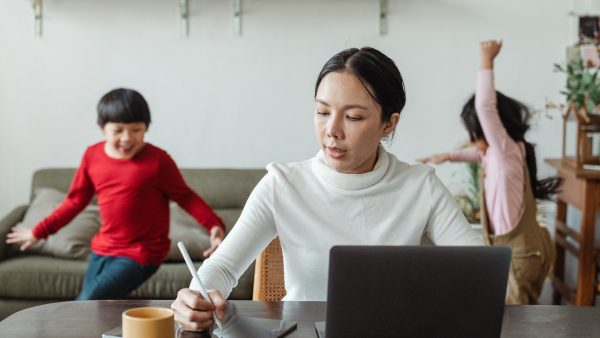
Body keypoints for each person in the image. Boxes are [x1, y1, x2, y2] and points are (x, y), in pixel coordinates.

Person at [171, 47, 483, 331]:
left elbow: (480, 273)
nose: (332, 130)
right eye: (322, 112)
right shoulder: (283, 185)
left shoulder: (420, 187)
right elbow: (223, 267)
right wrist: (196, 297)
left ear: (389, 123)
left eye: (353, 117)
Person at [5, 88, 226, 300]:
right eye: (118, 130)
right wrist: (39, 232)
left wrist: (214, 226)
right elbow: (74, 202)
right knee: (97, 309)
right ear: (103, 128)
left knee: (86, 302)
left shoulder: (158, 161)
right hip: (103, 248)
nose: (127, 138)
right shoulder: (92, 156)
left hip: (142, 253)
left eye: (136, 130)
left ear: (146, 128)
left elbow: (185, 196)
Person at [418, 40, 560, 304]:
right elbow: (478, 154)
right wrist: (448, 156)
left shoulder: (503, 148)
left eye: (472, 134)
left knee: (514, 321)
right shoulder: (506, 153)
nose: (472, 142)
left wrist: (487, 60)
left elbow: (484, 106)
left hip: (519, 255)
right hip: (525, 250)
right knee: (513, 316)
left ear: (487, 130)